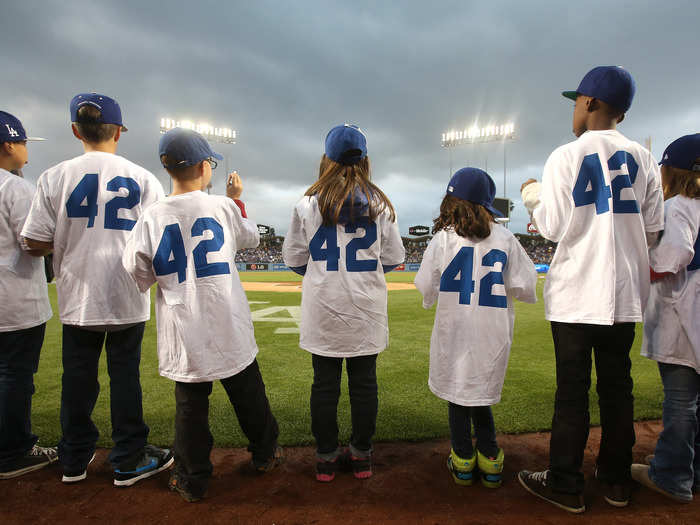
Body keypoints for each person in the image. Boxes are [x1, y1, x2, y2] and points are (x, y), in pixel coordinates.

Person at [517, 66, 664, 513]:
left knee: (572, 392)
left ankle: (565, 482)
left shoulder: (564, 155)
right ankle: (616, 480)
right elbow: (654, 232)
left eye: (578, 100)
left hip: (578, 291)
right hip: (624, 294)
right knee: (618, 389)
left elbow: (555, 226)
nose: (575, 108)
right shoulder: (644, 158)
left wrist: (532, 195)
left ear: (593, 102)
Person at [122, 128, 281, 502]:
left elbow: (138, 273)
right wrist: (236, 200)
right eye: (209, 162)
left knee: (190, 409)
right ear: (201, 166)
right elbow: (251, 239)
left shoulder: (151, 216)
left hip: (183, 327)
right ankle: (265, 454)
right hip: (229, 322)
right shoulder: (223, 207)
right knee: (249, 397)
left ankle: (193, 479)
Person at [21, 93, 172, 486]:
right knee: (126, 377)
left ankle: (73, 459)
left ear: (75, 130)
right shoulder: (144, 178)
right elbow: (157, 243)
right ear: (118, 132)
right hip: (127, 293)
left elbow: (33, 242)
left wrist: (71, 241)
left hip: (79, 295)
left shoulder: (53, 175)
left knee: (77, 378)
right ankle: (128, 458)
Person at [282, 124, 405, 481]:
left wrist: (325, 275)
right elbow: (393, 258)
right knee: (364, 384)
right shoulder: (380, 204)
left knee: (324, 385)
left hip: (323, 307)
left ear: (326, 159)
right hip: (365, 307)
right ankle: (362, 455)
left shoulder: (307, 203)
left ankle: (325, 458)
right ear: (365, 160)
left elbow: (294, 259)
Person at [415, 167, 537, 488]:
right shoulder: (506, 237)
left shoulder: (443, 239)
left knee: (458, 396)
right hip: (492, 334)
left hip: (454, 331)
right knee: (481, 396)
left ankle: (463, 460)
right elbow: (526, 287)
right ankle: (491, 460)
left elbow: (425, 286)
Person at [631, 133, 700, 503]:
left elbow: (673, 254)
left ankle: (672, 474)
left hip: (684, 312)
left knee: (681, 399)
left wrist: (643, 269)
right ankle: (692, 470)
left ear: (672, 170)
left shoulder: (679, 207)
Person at [0, 111, 56, 479]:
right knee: (14, 376)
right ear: (7, 144)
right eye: (21, 142)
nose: (24, 148)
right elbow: (34, 243)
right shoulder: (15, 187)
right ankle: (13, 452)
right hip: (14, 300)